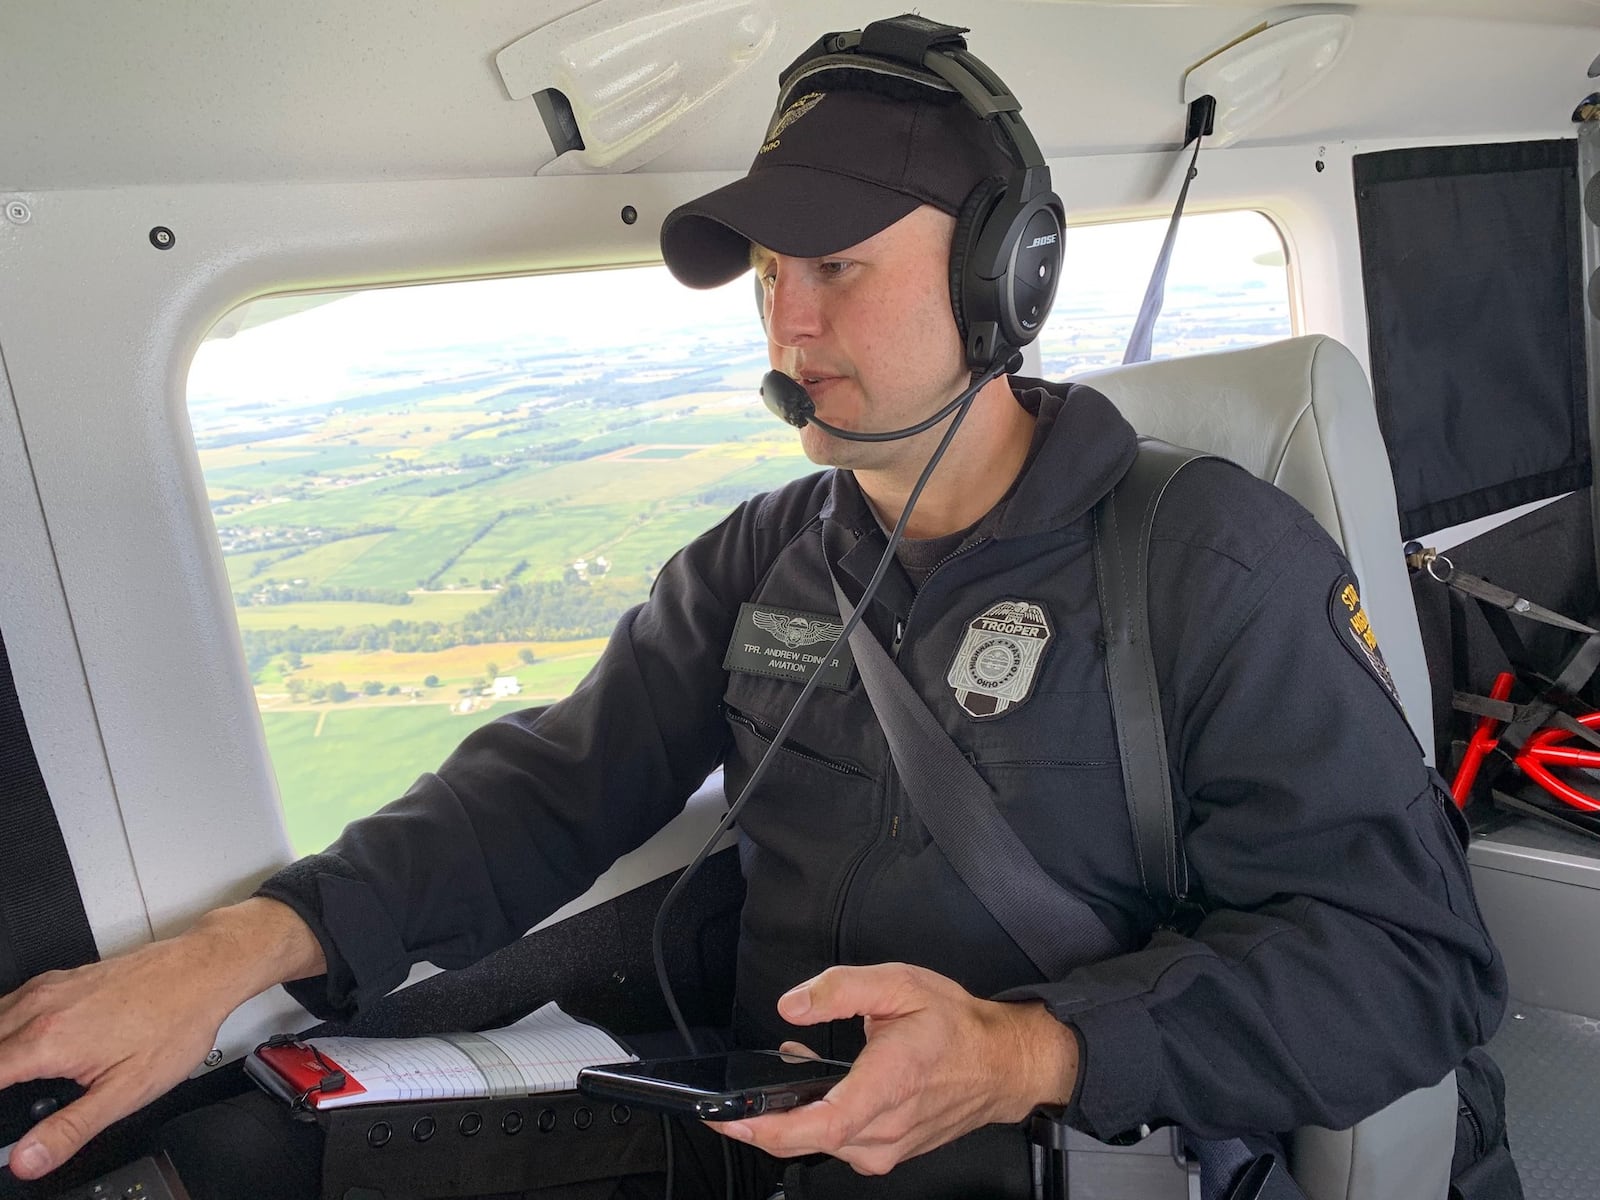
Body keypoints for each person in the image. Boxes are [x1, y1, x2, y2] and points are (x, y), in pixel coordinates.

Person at [0, 16, 1504, 1199]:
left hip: (1077, 1162)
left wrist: (1030, 1049)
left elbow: (1412, 965)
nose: (787, 320)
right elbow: (541, 795)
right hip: (772, 1151)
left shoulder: (1209, 560)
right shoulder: (763, 558)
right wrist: (240, 948)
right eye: (773, 269)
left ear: (1006, 276)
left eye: (838, 266)